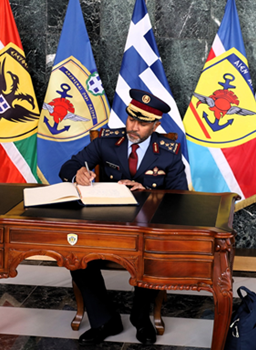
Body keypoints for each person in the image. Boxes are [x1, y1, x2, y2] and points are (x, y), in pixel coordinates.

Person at [59, 88, 188, 345]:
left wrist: (148, 190)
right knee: (74, 254)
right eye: (131, 119)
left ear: (156, 125)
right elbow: (68, 166)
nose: (133, 127)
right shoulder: (106, 142)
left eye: (142, 123)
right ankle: (105, 320)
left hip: (145, 225)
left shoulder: (168, 151)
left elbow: (180, 196)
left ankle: (141, 318)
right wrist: (78, 174)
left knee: (151, 254)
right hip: (106, 223)